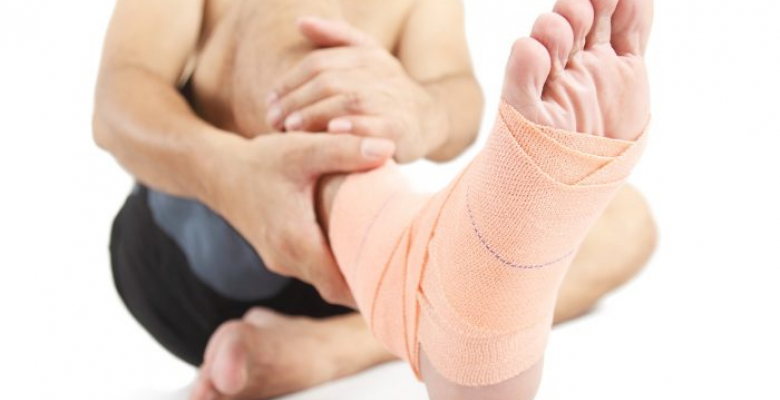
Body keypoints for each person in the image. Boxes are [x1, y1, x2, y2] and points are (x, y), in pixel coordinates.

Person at [93, 0, 656, 399]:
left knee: (629, 223)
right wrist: (232, 174)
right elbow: (118, 103)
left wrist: (423, 110)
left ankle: (335, 345)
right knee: (289, 21)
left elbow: (455, 97)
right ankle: (425, 294)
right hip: (193, 246)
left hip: (346, 269)